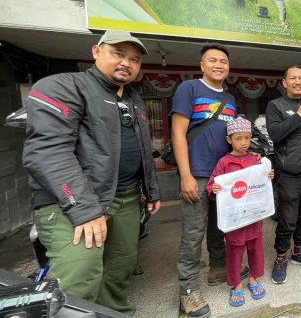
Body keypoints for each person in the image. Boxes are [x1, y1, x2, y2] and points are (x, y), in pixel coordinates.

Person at [23, 30, 160, 315]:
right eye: (118, 54)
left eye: (134, 59)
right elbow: (48, 152)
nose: (127, 63)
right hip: (72, 204)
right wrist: (85, 209)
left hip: (127, 199)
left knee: (119, 271)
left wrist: (152, 189)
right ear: (96, 52)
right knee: (78, 277)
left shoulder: (134, 99)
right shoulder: (63, 86)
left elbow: (142, 150)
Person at [171, 43, 245, 318]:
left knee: (219, 226)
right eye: (212, 60)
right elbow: (178, 133)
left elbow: (234, 141)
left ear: (228, 67)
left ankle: (218, 268)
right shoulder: (188, 89)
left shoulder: (231, 99)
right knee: (192, 234)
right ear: (202, 65)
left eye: (223, 61)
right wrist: (186, 175)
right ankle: (188, 291)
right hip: (198, 173)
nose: (218, 65)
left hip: (223, 175)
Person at [206, 117, 274, 308]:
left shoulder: (255, 159)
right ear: (229, 140)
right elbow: (212, 185)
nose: (244, 143)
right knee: (234, 250)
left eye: (247, 138)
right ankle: (236, 285)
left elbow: (262, 181)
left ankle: (253, 279)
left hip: (253, 216)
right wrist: (215, 189)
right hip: (235, 219)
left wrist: (268, 175)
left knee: (255, 248)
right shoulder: (224, 162)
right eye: (238, 138)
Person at [265, 66, 301, 284]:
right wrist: (298, 115)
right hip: (288, 173)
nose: (297, 81)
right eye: (293, 78)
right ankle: (281, 256)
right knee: (287, 219)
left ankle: (298, 251)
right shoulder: (275, 105)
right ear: (284, 82)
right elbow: (275, 134)